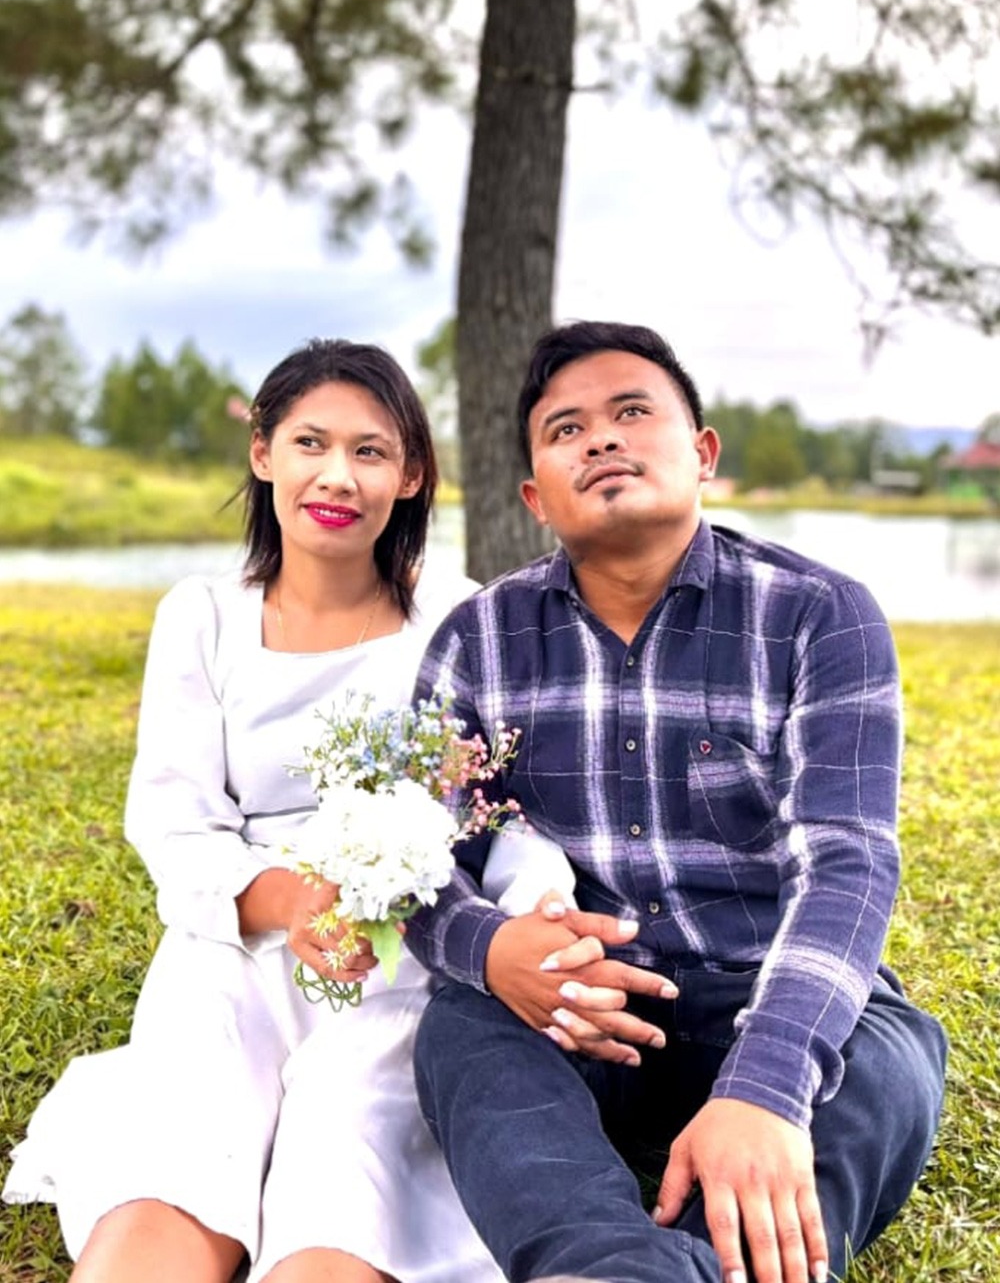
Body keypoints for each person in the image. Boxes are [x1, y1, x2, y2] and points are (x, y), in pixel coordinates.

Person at [3, 337, 575, 1283]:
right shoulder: (203, 615)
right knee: (182, 1152)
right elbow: (175, 819)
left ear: (410, 475)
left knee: (345, 1158)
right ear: (263, 452)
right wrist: (289, 902)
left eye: (370, 451)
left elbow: (505, 809)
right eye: (311, 443)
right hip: (236, 945)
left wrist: (533, 919)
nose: (337, 476)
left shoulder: (459, 617)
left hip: (399, 953)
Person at [405, 320, 948, 1283]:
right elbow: (416, 859)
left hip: (764, 986)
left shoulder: (819, 613)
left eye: (632, 411)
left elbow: (849, 863)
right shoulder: (476, 641)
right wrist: (489, 948)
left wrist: (769, 1084)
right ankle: (606, 1264)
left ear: (702, 453)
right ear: (535, 496)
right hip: (583, 1006)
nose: (603, 439)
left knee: (888, 1059)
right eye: (567, 430)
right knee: (464, 1030)